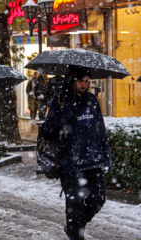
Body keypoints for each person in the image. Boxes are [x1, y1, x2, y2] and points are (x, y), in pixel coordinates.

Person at [42, 67, 112, 240]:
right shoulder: (59, 102)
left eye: (87, 81)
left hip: (93, 161)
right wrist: (67, 111)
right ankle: (75, 231)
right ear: (72, 81)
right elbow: (48, 130)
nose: (84, 85)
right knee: (75, 207)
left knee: (98, 200)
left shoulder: (92, 100)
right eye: (81, 81)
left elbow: (100, 129)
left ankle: (74, 228)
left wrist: (106, 155)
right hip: (70, 165)